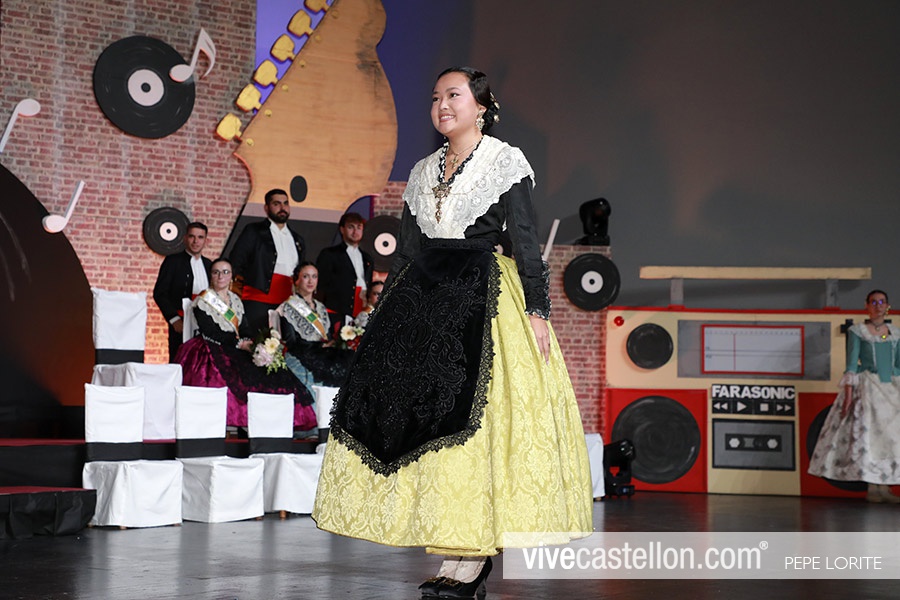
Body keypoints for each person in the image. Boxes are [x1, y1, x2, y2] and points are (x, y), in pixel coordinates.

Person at [312, 67, 593, 598]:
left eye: (454, 95)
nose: (442, 104)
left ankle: (474, 556)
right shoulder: (422, 171)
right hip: (423, 303)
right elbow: (407, 253)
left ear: (481, 106)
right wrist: (382, 316)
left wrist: (537, 311)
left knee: (474, 428)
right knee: (431, 428)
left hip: (483, 298)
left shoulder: (505, 161)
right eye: (436, 96)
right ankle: (452, 552)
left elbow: (525, 242)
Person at [175, 258, 316, 431]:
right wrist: (238, 343)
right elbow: (210, 331)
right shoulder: (204, 301)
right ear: (210, 276)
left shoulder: (235, 300)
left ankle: (264, 420)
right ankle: (234, 420)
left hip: (237, 346)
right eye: (216, 272)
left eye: (225, 272)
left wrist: (253, 344)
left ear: (231, 276)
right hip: (212, 346)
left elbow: (245, 328)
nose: (221, 276)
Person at [809, 289, 900, 503]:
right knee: (870, 437)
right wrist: (848, 396)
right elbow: (851, 364)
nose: (878, 305)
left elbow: (897, 363)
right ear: (866, 305)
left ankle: (885, 486)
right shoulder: (858, 331)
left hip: (891, 388)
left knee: (889, 439)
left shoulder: (894, 332)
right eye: (873, 302)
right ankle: (873, 488)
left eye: (882, 302)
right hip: (868, 387)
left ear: (887, 305)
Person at [230, 189, 305, 335]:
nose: (282, 208)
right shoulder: (254, 231)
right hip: (257, 300)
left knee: (285, 343)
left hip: (288, 303)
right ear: (266, 208)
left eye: (285, 203)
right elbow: (236, 261)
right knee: (257, 343)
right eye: (276, 204)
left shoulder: (297, 239)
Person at [277, 262, 354, 393]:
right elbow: (291, 341)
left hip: (323, 351)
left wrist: (331, 343)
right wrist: (318, 346)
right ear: (296, 280)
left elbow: (327, 335)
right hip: (304, 351)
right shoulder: (289, 306)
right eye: (305, 276)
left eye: (314, 276)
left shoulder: (320, 307)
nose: (310, 281)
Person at [152, 222, 212, 362]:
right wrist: (174, 319)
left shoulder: (209, 265)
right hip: (181, 323)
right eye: (192, 236)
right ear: (185, 238)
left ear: (205, 240)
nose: (196, 241)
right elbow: (160, 293)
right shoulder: (173, 261)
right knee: (179, 362)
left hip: (205, 326)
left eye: (200, 237)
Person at [315, 212, 373, 328]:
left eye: (359, 227)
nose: (355, 232)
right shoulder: (329, 254)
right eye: (351, 227)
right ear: (342, 229)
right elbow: (321, 286)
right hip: (337, 312)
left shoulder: (367, 258)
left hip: (362, 310)